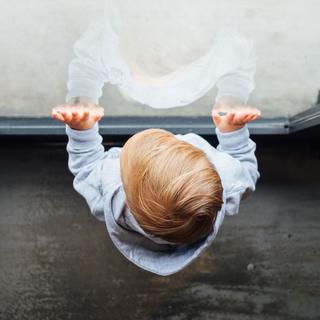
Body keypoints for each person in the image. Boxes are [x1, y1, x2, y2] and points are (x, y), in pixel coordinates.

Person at [51, 103, 260, 276]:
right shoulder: (226, 178)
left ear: (123, 182)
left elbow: (88, 167)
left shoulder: (111, 198)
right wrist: (233, 132)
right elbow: (246, 171)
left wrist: (82, 130)